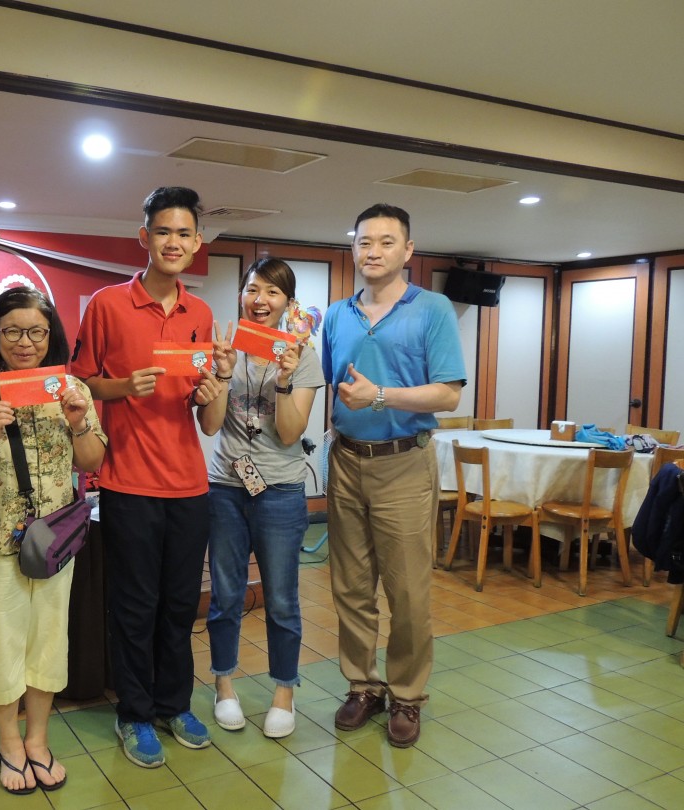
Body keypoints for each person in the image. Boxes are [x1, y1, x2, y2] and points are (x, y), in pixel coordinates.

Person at [73, 186, 221, 767]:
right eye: (163, 231)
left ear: (198, 242)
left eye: (184, 233)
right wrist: (121, 386)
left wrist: (212, 391)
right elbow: (80, 383)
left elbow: (206, 416)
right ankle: (134, 714)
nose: (173, 242)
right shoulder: (107, 304)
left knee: (181, 605)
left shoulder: (201, 314)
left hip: (190, 484)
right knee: (134, 606)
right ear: (145, 237)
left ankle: (174, 703)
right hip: (129, 482)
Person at [0, 287, 106, 795]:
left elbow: (93, 461)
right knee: (2, 644)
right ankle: (9, 743)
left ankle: (38, 739)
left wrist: (78, 423)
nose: (25, 342)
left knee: (49, 641)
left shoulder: (72, 389)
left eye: (36, 331)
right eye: (12, 331)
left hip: (54, 541)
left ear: (51, 335)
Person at [321, 204, 465, 748]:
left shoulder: (432, 308)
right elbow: (334, 385)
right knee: (350, 586)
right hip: (346, 461)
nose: (373, 251)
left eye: (386, 242)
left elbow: (448, 394)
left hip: (404, 462)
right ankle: (363, 686)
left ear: (408, 250)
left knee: (407, 591)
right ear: (353, 249)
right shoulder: (336, 315)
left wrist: (380, 396)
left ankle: (407, 694)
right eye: (364, 242)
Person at [199, 258, 325, 739]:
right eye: (253, 289)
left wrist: (285, 380)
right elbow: (210, 425)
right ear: (242, 295)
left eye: (273, 292)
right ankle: (224, 685)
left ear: (288, 304)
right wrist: (223, 373)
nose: (260, 300)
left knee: (282, 599)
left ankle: (284, 693)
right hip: (226, 489)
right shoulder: (223, 348)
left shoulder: (302, 355)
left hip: (281, 492)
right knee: (226, 594)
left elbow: (290, 433)